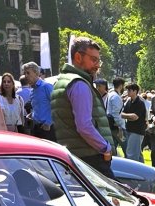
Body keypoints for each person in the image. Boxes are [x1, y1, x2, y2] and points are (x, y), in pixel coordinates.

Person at [52, 36, 113, 174]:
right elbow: (84, 126)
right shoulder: (79, 84)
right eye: (94, 59)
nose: (97, 65)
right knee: (110, 188)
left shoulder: (63, 81)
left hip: (74, 156)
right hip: (89, 158)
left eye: (98, 60)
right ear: (78, 57)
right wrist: (105, 148)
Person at [121, 83, 147, 161]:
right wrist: (130, 116)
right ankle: (142, 168)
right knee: (138, 154)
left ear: (135, 91)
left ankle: (132, 168)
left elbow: (135, 117)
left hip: (137, 131)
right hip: (130, 129)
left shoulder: (140, 102)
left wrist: (127, 116)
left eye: (129, 90)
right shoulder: (129, 101)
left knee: (131, 153)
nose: (127, 92)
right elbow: (122, 114)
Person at [106, 77, 125, 153]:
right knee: (126, 148)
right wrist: (120, 126)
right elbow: (116, 114)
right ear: (121, 86)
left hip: (111, 125)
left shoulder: (110, 94)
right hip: (116, 127)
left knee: (113, 150)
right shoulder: (115, 96)